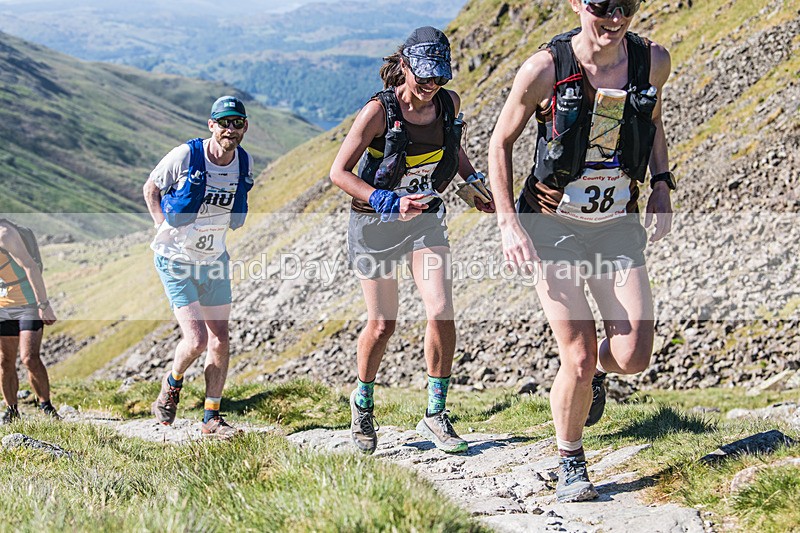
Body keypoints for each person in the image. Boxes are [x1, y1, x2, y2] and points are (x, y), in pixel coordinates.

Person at [488, 0, 674, 502]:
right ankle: (571, 459)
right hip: (552, 225)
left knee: (634, 355)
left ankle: (589, 378)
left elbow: (653, 118)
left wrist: (661, 182)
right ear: (576, 4)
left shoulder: (652, 60)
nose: (614, 17)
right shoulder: (545, 68)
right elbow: (499, 142)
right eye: (601, 6)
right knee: (579, 352)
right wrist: (509, 223)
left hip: (615, 223)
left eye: (626, 6)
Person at [330, 26, 494, 455]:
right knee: (383, 324)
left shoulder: (447, 103)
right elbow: (339, 173)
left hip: (424, 217)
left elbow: (452, 146)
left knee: (440, 309)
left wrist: (472, 182)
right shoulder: (378, 113)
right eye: (423, 79)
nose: (430, 88)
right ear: (404, 67)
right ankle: (362, 402)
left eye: (438, 79)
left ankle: (436, 414)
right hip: (375, 223)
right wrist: (386, 199)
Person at [143, 95, 255, 439]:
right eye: (224, 122)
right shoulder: (186, 155)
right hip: (176, 260)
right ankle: (172, 385)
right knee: (195, 339)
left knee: (220, 339)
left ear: (245, 127)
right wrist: (163, 226)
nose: (230, 129)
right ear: (211, 125)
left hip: (213, 260)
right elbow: (151, 188)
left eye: (237, 123)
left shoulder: (243, 163)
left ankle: (211, 418)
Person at [0, 220, 58, 423]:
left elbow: (30, 266)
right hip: (2, 306)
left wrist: (43, 304)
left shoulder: (5, 233)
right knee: (5, 361)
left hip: (28, 304)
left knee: (29, 358)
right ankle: (12, 410)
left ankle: (46, 406)